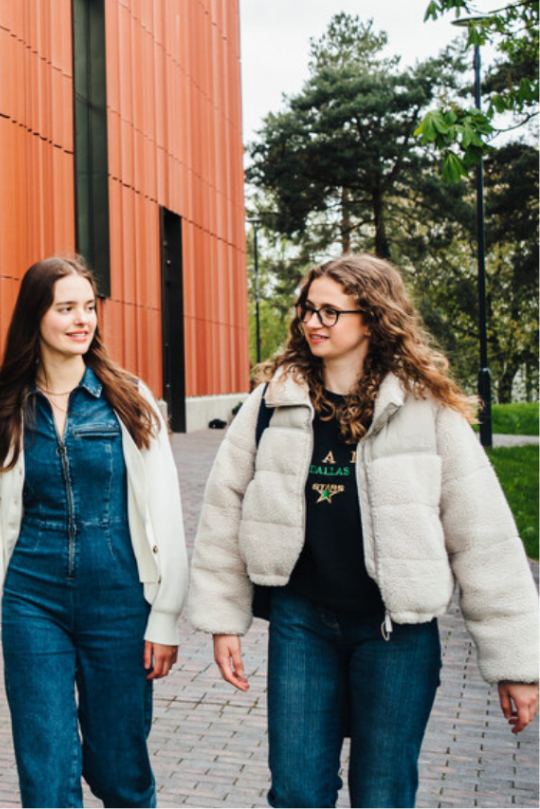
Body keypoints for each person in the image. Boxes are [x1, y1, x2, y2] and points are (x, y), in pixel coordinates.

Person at [190, 254, 539, 808]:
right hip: (301, 622)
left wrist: (517, 664)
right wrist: (222, 619)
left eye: (331, 311)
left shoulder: (424, 409)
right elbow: (224, 509)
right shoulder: (271, 401)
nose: (313, 321)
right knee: (298, 793)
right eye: (308, 308)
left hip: (395, 633)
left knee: (382, 793)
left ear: (373, 318)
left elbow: (484, 537)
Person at [0, 256, 188, 808]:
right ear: (36, 316)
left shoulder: (129, 401)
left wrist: (166, 613)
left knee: (119, 768)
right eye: (66, 308)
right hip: (33, 600)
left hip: (120, 600)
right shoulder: (5, 411)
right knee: (46, 769)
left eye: (89, 307)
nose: (82, 319)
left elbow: (166, 511)